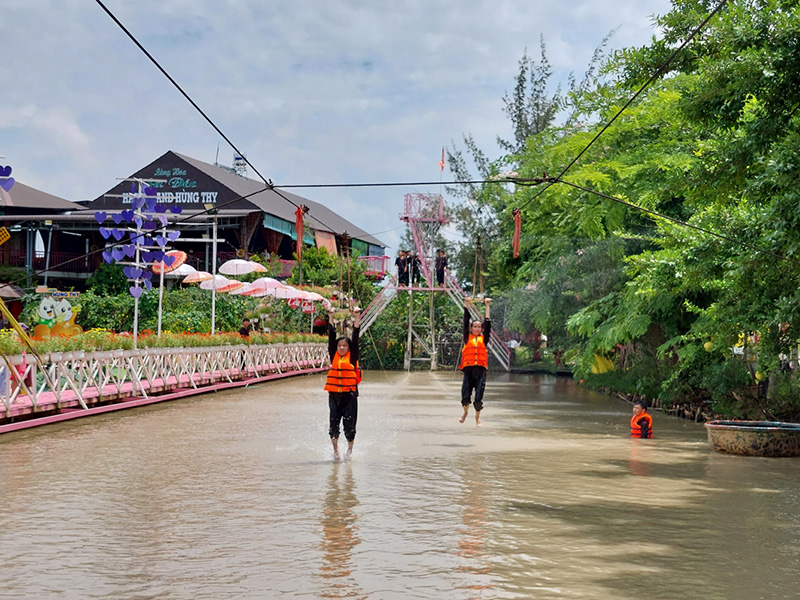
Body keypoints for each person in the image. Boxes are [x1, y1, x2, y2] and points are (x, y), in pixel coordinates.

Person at [324, 307, 362, 461]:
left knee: (349, 427)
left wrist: (357, 317)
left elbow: (356, 335)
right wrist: (331, 317)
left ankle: (350, 451)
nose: (341, 348)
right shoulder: (333, 355)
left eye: (344, 346)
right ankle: (336, 451)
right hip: (334, 396)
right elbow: (331, 336)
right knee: (333, 425)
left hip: (349, 396)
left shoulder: (352, 357)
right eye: (339, 346)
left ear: (349, 348)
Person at [459, 297, 491, 427]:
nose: (477, 329)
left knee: (478, 399)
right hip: (469, 371)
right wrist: (466, 305)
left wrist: (487, 306)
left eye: (479, 327)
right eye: (475, 327)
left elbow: (488, 324)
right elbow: (466, 321)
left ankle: (477, 418)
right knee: (465, 397)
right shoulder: (467, 338)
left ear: (482, 329)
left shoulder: (484, 339)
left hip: (481, 372)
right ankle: (465, 413)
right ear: (471, 329)